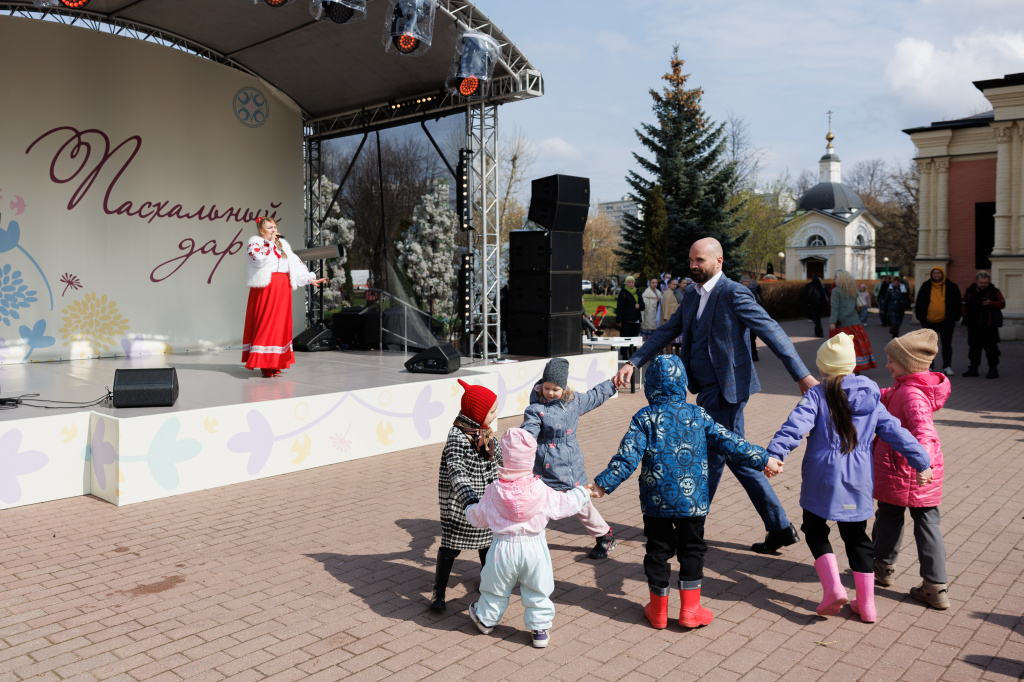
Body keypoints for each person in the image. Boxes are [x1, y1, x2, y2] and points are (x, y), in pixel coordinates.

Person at [614, 238, 817, 555]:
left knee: (709, 457)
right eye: (691, 260)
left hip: (728, 390)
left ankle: (692, 528)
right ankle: (778, 527)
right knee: (737, 456)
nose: (693, 266)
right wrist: (634, 361)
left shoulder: (734, 293)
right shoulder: (692, 295)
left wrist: (801, 375)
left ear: (719, 261)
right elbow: (669, 329)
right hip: (706, 389)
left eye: (700, 260)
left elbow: (772, 331)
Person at [589, 355, 773, 630]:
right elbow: (730, 441)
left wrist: (604, 484)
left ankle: (658, 611)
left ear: (650, 386)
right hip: (692, 501)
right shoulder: (698, 415)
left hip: (656, 501)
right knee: (692, 550)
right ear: (683, 383)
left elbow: (627, 456)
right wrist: (763, 459)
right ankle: (690, 610)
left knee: (657, 551)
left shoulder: (644, 417)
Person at [763, 334, 931, 623]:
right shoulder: (872, 397)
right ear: (852, 366)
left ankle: (833, 589)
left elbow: (795, 426)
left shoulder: (817, 394)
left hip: (821, 476)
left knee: (814, 528)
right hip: (858, 478)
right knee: (857, 538)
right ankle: (867, 605)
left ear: (823, 367)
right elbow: (896, 432)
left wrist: (775, 454)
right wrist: (921, 461)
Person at [466, 428, 597, 648]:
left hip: (502, 549)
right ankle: (539, 629)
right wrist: (583, 493)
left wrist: (469, 507)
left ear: (505, 458)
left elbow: (477, 518)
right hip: (534, 548)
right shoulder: (540, 489)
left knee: (494, 588)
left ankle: (485, 619)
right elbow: (565, 504)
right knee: (538, 588)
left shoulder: (494, 490)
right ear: (531, 458)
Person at [873, 329, 951, 610]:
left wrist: (922, 463)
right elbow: (887, 396)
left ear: (908, 364)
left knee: (890, 517)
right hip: (912, 470)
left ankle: (883, 566)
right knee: (925, 523)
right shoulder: (906, 387)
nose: (887, 365)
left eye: (891, 361)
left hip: (907, 469)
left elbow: (925, 431)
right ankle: (935, 586)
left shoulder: (911, 394)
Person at [521, 358, 618, 559]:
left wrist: (613, 383)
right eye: (546, 388)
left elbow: (595, 396)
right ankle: (528, 541)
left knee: (581, 503)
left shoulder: (574, 402)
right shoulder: (535, 410)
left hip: (570, 466)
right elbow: (528, 433)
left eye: (555, 389)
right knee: (537, 504)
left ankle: (604, 536)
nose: (550, 393)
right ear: (541, 385)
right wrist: (520, 444)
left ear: (564, 387)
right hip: (544, 468)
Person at [431, 379, 503, 612]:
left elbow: (500, 458)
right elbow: (456, 470)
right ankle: (438, 591)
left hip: (485, 498)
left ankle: (489, 583)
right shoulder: (457, 436)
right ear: (477, 413)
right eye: (491, 411)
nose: (495, 415)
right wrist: (468, 499)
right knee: (451, 545)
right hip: (460, 501)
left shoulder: (484, 432)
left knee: (487, 544)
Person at [243, 216, 327, 378]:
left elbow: (295, 264)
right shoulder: (255, 243)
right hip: (266, 287)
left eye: (274, 227)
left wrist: (310, 278)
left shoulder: (283, 246)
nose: (273, 230)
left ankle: (276, 361)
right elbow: (258, 259)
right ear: (261, 230)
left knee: (280, 324)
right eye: (269, 228)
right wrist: (269, 243)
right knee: (266, 323)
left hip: (282, 287)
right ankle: (265, 362)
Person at [914, 266, 961, 376]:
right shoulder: (926, 286)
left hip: (947, 322)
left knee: (946, 344)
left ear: (942, 274)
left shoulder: (951, 286)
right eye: (934, 273)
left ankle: (947, 366)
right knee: (928, 346)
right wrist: (920, 317)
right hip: (929, 321)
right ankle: (929, 366)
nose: (936, 275)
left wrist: (955, 318)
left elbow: (957, 302)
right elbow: (919, 302)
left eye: (938, 273)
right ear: (931, 274)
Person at [829, 270, 876, 372]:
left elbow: (834, 308)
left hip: (842, 324)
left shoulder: (836, 291)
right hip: (855, 322)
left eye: (835, 277)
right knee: (856, 345)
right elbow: (859, 306)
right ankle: (857, 366)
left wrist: (832, 322)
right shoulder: (853, 290)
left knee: (843, 346)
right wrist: (859, 318)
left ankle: (844, 366)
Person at [961, 270, 1005, 379]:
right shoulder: (970, 291)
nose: (983, 284)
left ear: (989, 281)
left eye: (985, 282)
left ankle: (993, 369)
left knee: (991, 349)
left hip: (989, 326)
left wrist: (991, 303)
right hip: (973, 325)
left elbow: (1002, 303)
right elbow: (963, 304)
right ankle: (973, 368)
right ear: (977, 281)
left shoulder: (994, 291)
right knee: (974, 349)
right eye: (981, 282)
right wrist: (965, 316)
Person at [740, 275, 763, 361]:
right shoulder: (739, 290)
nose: (746, 283)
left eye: (747, 281)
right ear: (741, 282)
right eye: (744, 281)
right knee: (746, 337)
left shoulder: (752, 290)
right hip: (743, 317)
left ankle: (754, 355)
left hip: (752, 316)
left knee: (751, 337)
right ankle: (750, 355)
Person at [657, 279, 681, 354]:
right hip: (668, 318)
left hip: (670, 318)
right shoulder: (667, 293)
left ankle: (669, 353)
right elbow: (666, 306)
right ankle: (669, 354)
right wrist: (665, 318)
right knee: (668, 339)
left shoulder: (671, 293)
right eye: (673, 284)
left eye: (676, 284)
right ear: (669, 285)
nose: (675, 286)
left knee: (670, 338)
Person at [640, 278, 662, 342]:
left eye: (656, 283)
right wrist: (642, 320)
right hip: (648, 317)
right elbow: (643, 308)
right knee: (648, 340)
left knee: (656, 340)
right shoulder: (646, 294)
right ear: (649, 283)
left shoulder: (659, 293)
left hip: (656, 316)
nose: (655, 284)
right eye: (653, 283)